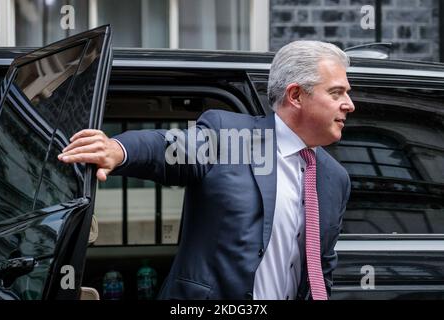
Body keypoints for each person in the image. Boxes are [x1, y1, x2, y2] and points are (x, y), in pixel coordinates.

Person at [58, 40, 355, 300]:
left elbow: (321, 270)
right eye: (337, 93)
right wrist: (118, 150)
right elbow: (167, 149)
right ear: (296, 96)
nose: (350, 104)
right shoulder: (231, 137)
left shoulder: (335, 178)